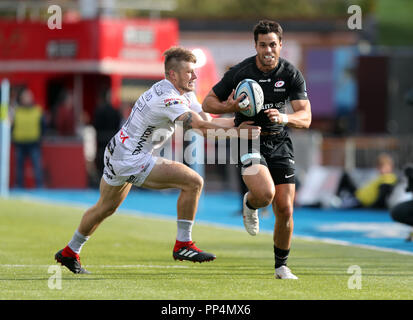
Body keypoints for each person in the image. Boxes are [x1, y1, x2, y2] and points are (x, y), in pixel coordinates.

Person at [54, 46, 260, 274]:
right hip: (131, 158)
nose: (194, 76)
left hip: (117, 150)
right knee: (193, 182)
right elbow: (202, 129)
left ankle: (69, 252)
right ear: (173, 74)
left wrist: (233, 116)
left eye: (194, 71)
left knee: (105, 207)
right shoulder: (168, 98)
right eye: (189, 72)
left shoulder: (181, 90)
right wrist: (240, 129)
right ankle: (184, 244)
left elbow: (205, 119)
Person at [202, 20, 312, 279]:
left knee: (285, 208)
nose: (268, 50)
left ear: (280, 45)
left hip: (279, 142)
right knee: (265, 194)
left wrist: (284, 118)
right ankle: (251, 203)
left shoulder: (291, 74)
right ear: (256, 45)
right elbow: (208, 102)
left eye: (273, 44)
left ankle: (281, 266)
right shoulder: (241, 72)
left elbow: (305, 117)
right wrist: (231, 108)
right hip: (247, 138)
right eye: (262, 45)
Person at [11, 88, 46, 188]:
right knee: (19, 168)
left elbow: (43, 126)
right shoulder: (16, 111)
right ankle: (19, 186)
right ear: (21, 99)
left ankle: (39, 187)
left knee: (37, 167)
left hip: (33, 143)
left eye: (29, 96)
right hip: (20, 143)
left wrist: (40, 138)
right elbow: (12, 126)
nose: (27, 99)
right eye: (25, 97)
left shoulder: (37, 110)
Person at [93, 91, 122, 175]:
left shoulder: (98, 110)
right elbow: (118, 126)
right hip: (112, 140)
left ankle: (100, 176)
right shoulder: (115, 111)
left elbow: (95, 125)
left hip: (101, 140)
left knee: (101, 158)